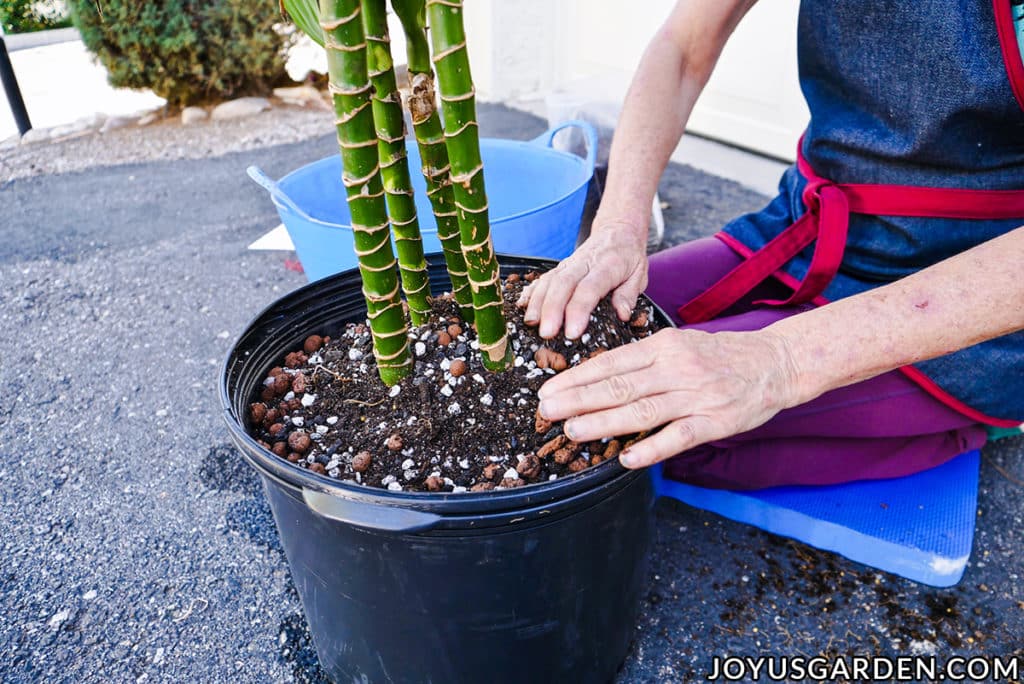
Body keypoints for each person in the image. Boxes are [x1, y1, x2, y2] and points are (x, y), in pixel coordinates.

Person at [519, 0, 1024, 489]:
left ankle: (973, 420)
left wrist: (780, 362)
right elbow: (684, 42)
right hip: (808, 224)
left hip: (971, 278)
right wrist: (617, 228)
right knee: (573, 341)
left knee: (665, 439)